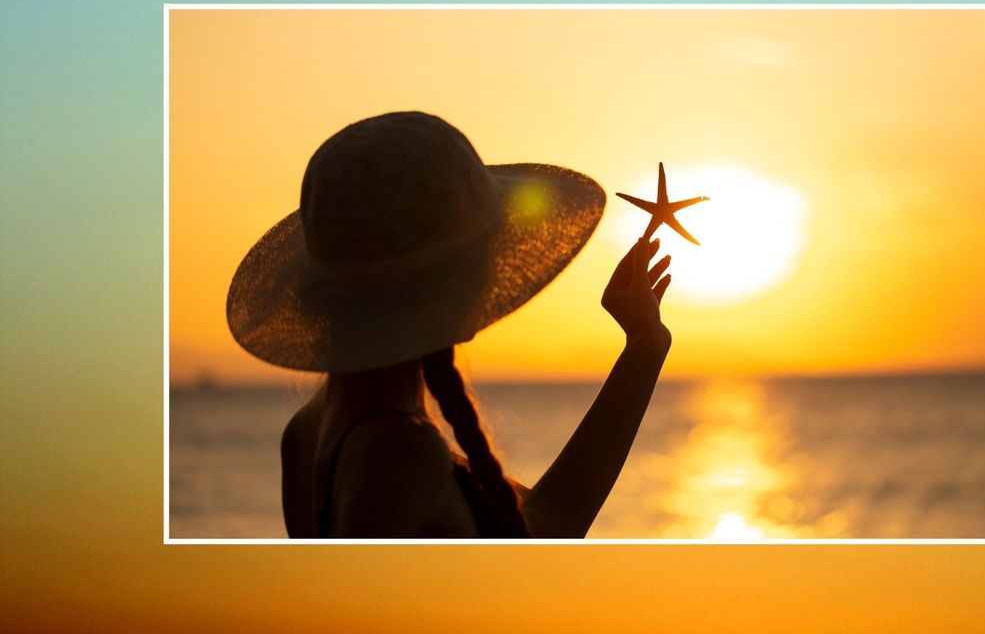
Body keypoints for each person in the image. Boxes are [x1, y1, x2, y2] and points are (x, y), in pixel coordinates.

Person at [226, 111, 673, 538]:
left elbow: (543, 523)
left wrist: (644, 348)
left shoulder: (310, 432)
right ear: (451, 285)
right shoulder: (401, 453)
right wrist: (644, 347)